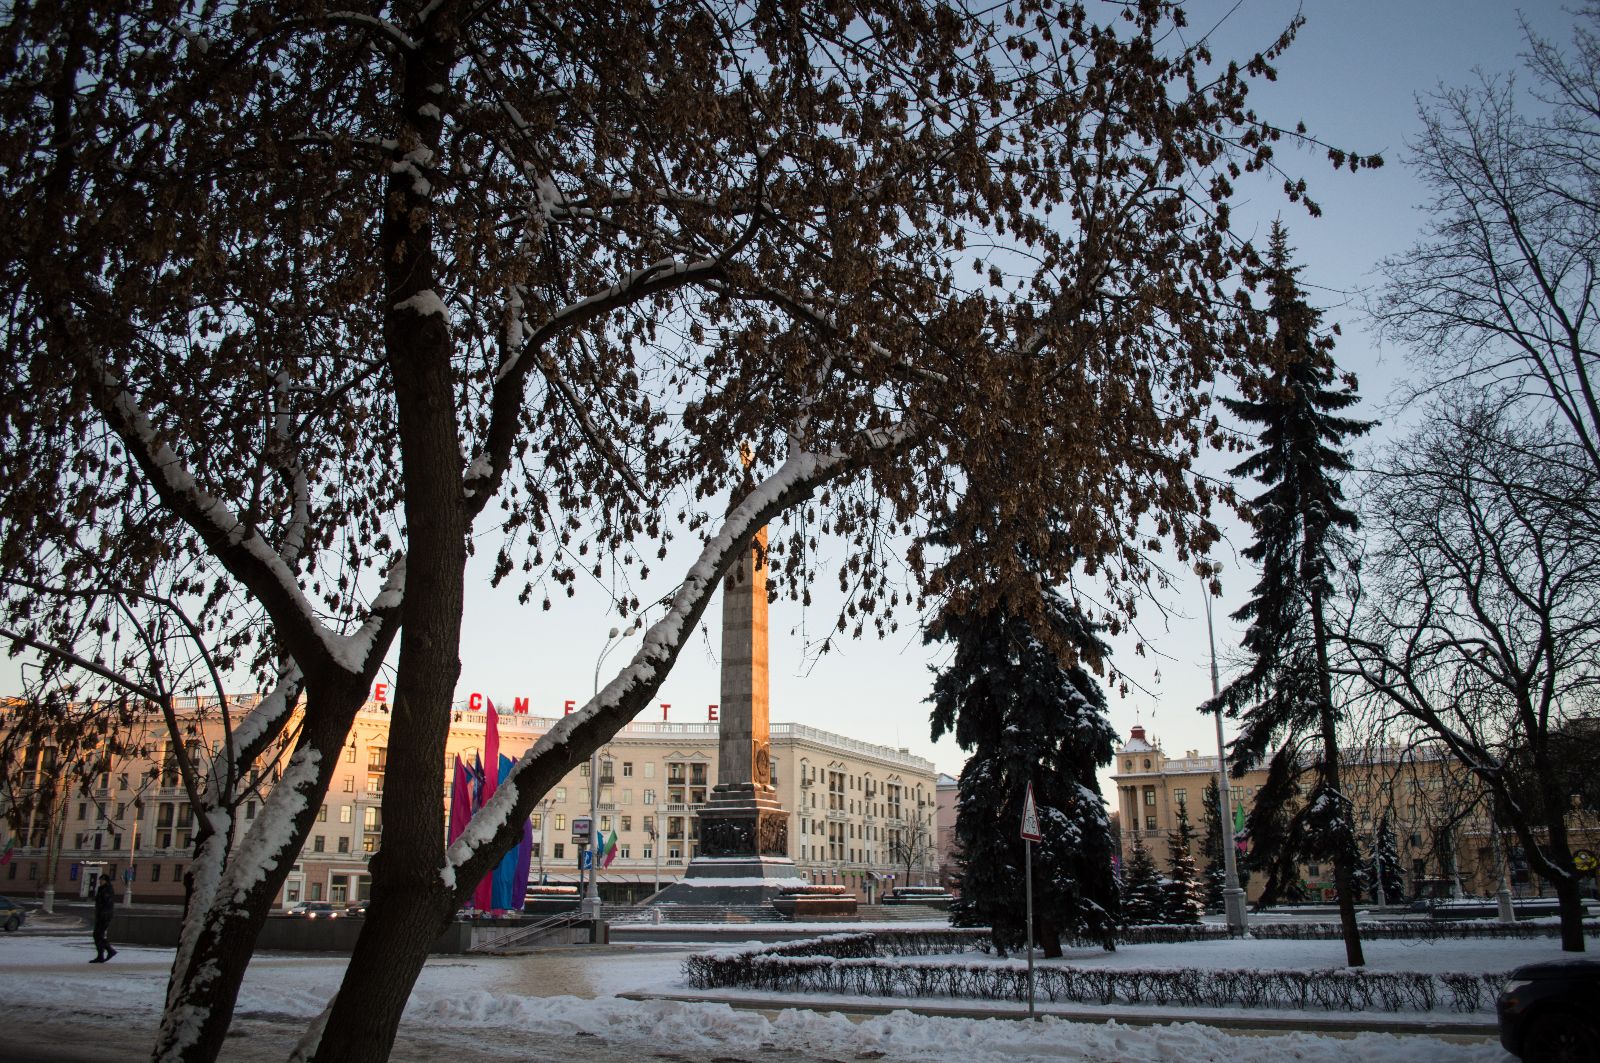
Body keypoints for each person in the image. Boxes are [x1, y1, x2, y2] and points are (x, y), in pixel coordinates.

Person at [90, 877, 117, 963]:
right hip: (101, 915)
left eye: (102, 880)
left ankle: (110, 950)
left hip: (105, 915)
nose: (100, 881)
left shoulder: (108, 889)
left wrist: (103, 913)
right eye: (100, 880)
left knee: (97, 935)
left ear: (106, 881)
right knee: (97, 935)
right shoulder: (101, 889)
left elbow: (107, 902)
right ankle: (101, 955)